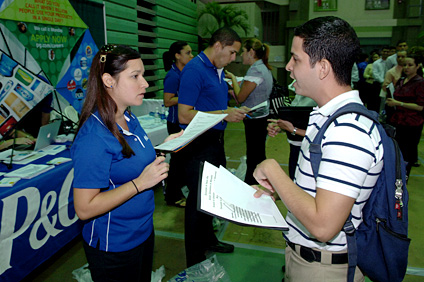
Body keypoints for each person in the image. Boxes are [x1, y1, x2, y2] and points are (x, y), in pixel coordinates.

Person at [252, 16, 384, 281]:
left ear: (322, 67)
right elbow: (320, 190)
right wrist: (282, 191)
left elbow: (323, 226)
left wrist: (272, 169)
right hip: (309, 258)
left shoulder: (348, 131)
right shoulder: (331, 118)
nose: (288, 67)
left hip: (323, 269)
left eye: (296, 59)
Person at [71, 44, 182, 282]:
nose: (145, 83)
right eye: (135, 76)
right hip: (115, 244)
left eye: (142, 75)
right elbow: (84, 208)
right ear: (109, 80)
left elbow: (133, 161)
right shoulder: (94, 136)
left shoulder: (129, 117)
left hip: (142, 231)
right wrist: (140, 184)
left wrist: (165, 146)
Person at [177, 27, 248, 267]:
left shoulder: (217, 70)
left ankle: (208, 239)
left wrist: (231, 112)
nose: (233, 58)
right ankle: (194, 260)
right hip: (199, 145)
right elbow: (184, 115)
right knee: (197, 204)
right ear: (218, 45)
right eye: (231, 52)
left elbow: (213, 105)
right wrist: (223, 114)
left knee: (211, 198)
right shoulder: (194, 70)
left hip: (215, 141)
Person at [225, 38, 273, 185]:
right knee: (257, 154)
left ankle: (253, 185)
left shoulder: (256, 70)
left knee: (254, 157)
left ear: (251, 52)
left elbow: (240, 97)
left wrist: (232, 78)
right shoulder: (263, 68)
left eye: (243, 52)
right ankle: (258, 183)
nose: (240, 56)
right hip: (261, 117)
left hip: (255, 120)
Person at [162, 41, 193, 207]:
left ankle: (180, 191)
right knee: (177, 161)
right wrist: (190, 96)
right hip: (175, 124)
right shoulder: (172, 76)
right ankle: (172, 196)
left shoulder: (185, 73)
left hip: (184, 123)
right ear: (177, 55)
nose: (191, 55)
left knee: (183, 161)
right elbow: (167, 101)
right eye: (188, 53)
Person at [386, 53, 424, 177]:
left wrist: (399, 103)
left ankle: (403, 181)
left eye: (410, 65)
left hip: (411, 124)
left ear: (418, 66)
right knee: (395, 154)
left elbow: (420, 106)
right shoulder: (402, 81)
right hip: (397, 121)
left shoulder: (420, 83)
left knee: (406, 156)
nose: (407, 67)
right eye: (405, 65)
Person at [379, 49, 407, 114]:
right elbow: (385, 87)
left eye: (403, 57)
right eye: (398, 57)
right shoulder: (391, 72)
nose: (400, 59)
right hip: (395, 100)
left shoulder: (412, 71)